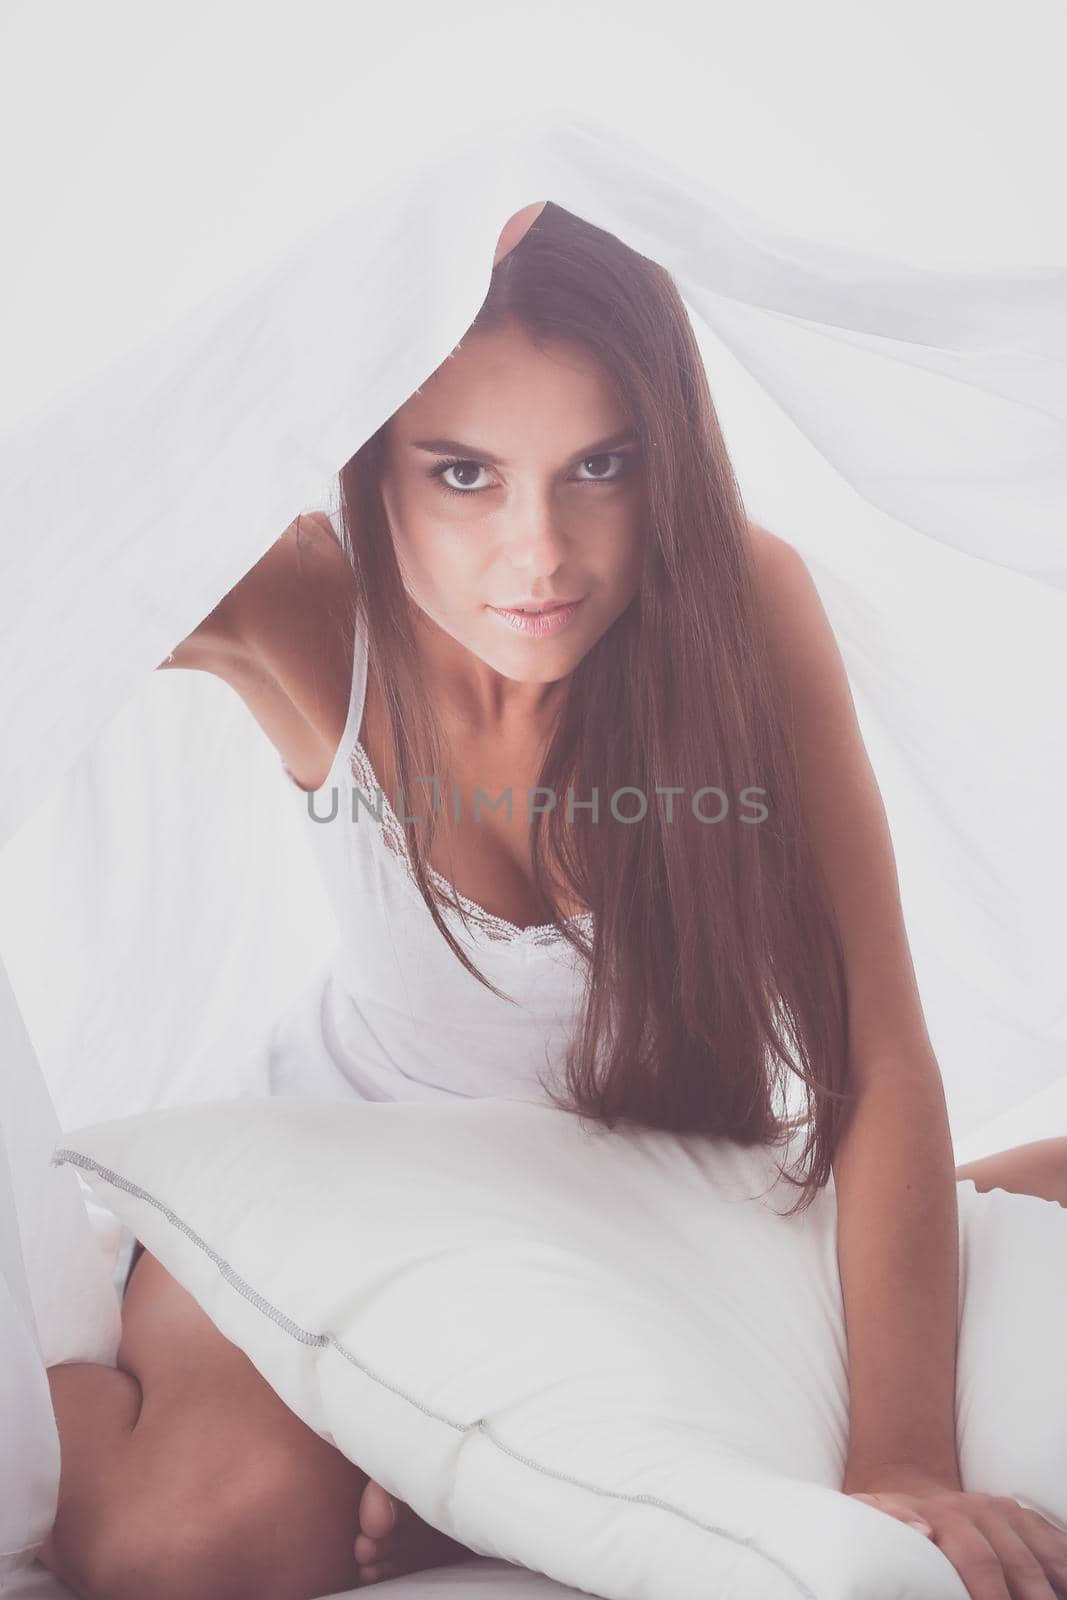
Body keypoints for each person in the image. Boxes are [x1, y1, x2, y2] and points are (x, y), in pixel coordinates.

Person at [39, 200, 1067, 1600]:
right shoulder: (300, 606)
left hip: (640, 1190)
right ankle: (93, 1348)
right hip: (350, 1175)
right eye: (462, 473)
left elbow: (877, 1058)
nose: (541, 557)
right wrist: (380, 257)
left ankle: (466, 1466)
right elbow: (57, 494)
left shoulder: (745, 613)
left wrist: (903, 1468)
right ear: (371, 464)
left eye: (600, 466)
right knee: (188, 1544)